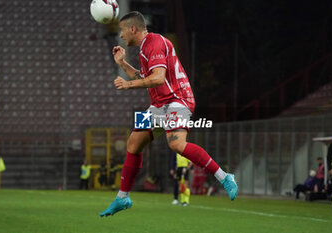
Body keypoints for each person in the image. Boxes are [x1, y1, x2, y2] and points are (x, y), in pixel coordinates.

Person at [99, 11, 238, 218]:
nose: (120, 35)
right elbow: (144, 77)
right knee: (133, 144)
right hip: (159, 105)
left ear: (133, 29)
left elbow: (158, 78)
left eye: (122, 31)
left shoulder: (154, 43)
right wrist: (122, 64)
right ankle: (122, 197)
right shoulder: (145, 48)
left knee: (176, 144)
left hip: (177, 100)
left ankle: (225, 177)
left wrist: (128, 85)